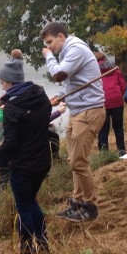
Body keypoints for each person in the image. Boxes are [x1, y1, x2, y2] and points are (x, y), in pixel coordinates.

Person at [41, 22, 105, 222]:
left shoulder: (75, 49)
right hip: (77, 112)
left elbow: (59, 74)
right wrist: (60, 96)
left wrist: (48, 56)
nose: (49, 47)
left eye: (50, 42)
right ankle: (78, 202)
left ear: (61, 36)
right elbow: (71, 83)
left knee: (79, 161)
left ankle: (90, 206)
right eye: (47, 45)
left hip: (89, 113)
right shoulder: (67, 52)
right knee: (73, 161)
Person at [0, 50, 52, 254]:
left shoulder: (12, 107)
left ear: (10, 82)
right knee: (32, 201)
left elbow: (12, 143)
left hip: (23, 167)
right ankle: (43, 244)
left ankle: (27, 251)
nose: (2, 86)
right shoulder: (41, 96)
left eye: (3, 83)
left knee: (23, 206)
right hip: (43, 162)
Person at [94, 51, 127, 156]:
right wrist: (118, 95)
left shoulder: (94, 71)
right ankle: (121, 150)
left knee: (103, 129)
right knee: (118, 127)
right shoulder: (115, 69)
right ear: (105, 58)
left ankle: (104, 152)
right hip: (117, 101)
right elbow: (123, 86)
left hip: (103, 102)